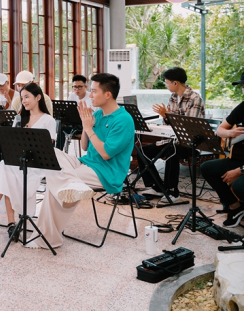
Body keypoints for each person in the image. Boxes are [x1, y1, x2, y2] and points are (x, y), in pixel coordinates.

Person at [29, 73, 135, 249]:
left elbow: (105, 154)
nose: (90, 95)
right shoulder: (98, 114)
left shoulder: (123, 120)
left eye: (94, 91)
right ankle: (73, 185)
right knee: (52, 154)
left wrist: (88, 128)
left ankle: (47, 239)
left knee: (59, 184)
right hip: (87, 162)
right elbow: (85, 147)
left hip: (106, 172)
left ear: (107, 94)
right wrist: (86, 125)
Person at [0, 83, 56, 232]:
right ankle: (10, 223)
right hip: (18, 161)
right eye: (22, 98)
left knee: (6, 169)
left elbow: (47, 148)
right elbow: (11, 143)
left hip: (35, 165)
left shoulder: (48, 120)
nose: (23, 101)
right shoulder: (20, 118)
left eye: (27, 97)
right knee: (7, 168)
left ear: (38, 97)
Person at [140, 67, 205, 203]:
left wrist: (167, 114)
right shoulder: (173, 97)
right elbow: (169, 123)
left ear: (175, 83)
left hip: (190, 143)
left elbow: (189, 126)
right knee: (143, 151)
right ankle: (157, 187)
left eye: (167, 82)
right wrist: (165, 116)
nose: (166, 85)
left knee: (172, 150)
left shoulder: (195, 99)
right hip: (172, 141)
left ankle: (172, 192)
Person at [200, 71, 244, 227]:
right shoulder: (242, 107)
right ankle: (235, 207)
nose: (243, 89)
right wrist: (230, 133)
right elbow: (220, 130)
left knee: (239, 185)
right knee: (207, 168)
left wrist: (240, 170)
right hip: (239, 159)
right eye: (242, 86)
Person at [56, 74, 95, 150]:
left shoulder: (90, 97)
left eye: (79, 87)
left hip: (85, 125)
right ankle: (58, 151)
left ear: (85, 86)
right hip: (74, 123)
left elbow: (91, 115)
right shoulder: (72, 96)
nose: (77, 89)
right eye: (74, 87)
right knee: (60, 125)